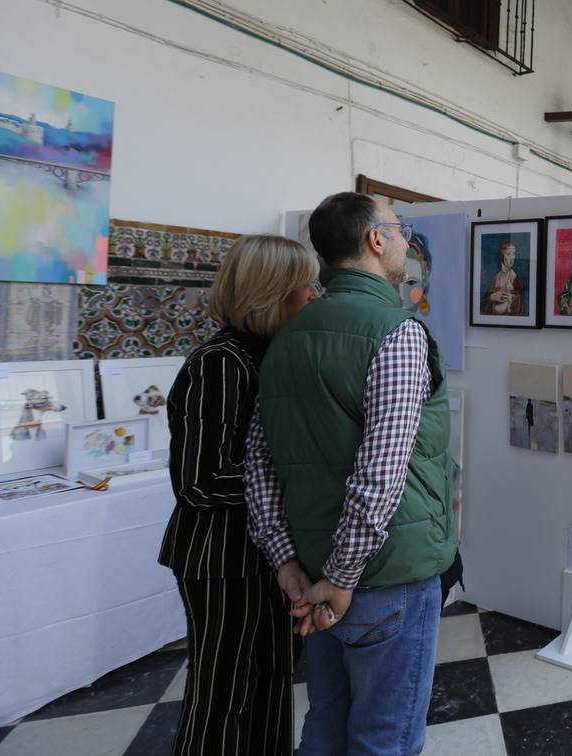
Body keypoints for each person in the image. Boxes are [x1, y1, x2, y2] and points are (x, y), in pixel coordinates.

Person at [245, 192, 456, 756]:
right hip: (384, 575)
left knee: (327, 726)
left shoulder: (287, 337)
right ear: (375, 240)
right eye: (400, 229)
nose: (406, 240)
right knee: (384, 738)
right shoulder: (397, 332)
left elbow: (259, 465)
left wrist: (288, 564)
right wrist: (341, 578)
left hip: (315, 570)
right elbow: (379, 475)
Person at [158, 235, 320, 756]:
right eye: (305, 285)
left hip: (266, 554)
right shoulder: (220, 363)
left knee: (272, 679)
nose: (315, 295)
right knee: (224, 693)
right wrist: (299, 483)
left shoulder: (267, 356)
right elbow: (199, 480)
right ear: (271, 293)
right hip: (222, 559)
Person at [481, 239, 525, 316]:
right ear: (501, 256)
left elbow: (519, 308)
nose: (512, 257)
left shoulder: (516, 280)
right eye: (509, 254)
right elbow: (482, 305)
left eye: (514, 254)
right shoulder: (495, 278)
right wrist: (492, 297)